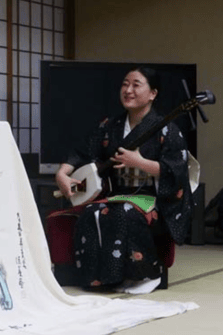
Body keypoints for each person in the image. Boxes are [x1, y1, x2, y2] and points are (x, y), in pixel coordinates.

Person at [55, 67, 192, 293]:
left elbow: (176, 170)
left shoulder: (167, 129)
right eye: (125, 84)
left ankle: (148, 274)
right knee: (91, 213)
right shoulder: (110, 126)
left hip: (151, 197)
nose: (128, 90)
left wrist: (139, 162)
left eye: (136, 85)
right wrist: (62, 173)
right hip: (116, 194)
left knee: (124, 212)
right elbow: (82, 152)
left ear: (153, 93)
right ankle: (103, 278)